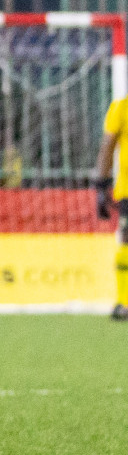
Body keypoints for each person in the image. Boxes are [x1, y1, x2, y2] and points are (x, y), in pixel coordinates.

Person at [93, 98, 128, 320]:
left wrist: (101, 185)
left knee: (126, 241)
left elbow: (108, 145)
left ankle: (124, 302)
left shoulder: (121, 107)